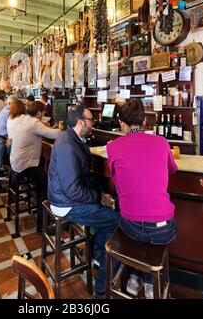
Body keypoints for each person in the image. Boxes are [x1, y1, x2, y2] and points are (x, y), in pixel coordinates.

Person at [106, 99, 178, 299]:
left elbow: (116, 182)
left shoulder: (113, 147)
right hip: (163, 228)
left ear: (121, 123)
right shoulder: (161, 142)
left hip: (131, 226)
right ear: (145, 123)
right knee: (151, 236)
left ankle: (135, 277)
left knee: (134, 231)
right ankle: (148, 282)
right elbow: (173, 169)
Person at [48, 105, 119, 298]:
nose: (93, 123)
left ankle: (96, 253)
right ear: (80, 122)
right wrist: (100, 198)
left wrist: (102, 195)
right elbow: (73, 190)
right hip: (65, 203)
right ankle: (102, 290)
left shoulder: (74, 139)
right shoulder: (67, 146)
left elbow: (83, 180)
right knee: (116, 222)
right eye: (90, 120)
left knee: (109, 217)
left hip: (68, 198)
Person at [7, 101, 61, 233]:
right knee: (47, 185)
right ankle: (42, 226)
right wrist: (60, 128)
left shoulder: (25, 119)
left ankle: (40, 205)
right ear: (38, 113)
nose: (43, 114)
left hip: (16, 163)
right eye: (43, 112)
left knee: (41, 182)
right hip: (25, 165)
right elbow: (54, 134)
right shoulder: (34, 123)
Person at [0, 95, 16, 192]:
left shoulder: (6, 110)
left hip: (1, 138)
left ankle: (8, 183)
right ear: (10, 103)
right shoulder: (8, 112)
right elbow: (11, 127)